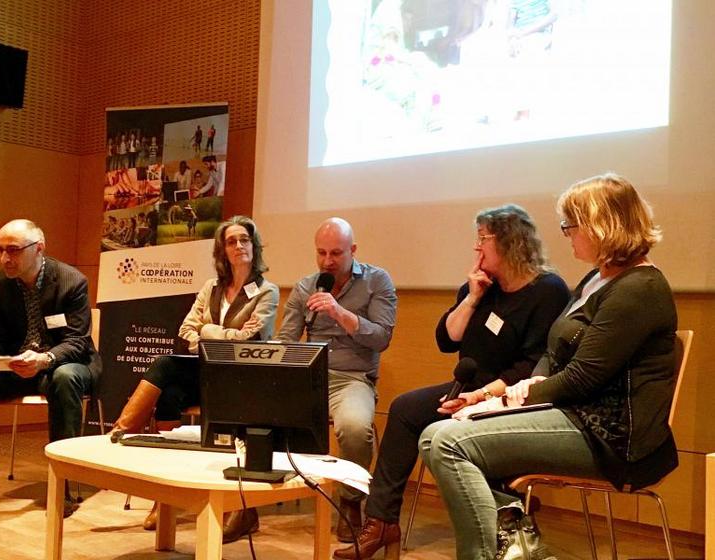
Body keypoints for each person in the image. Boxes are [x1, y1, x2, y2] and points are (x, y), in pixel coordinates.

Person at [418, 174, 678, 560]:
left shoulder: (639, 288)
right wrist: (496, 394)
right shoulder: (598, 278)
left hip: (608, 435)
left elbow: (583, 376)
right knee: (439, 433)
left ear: (601, 226)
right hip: (571, 414)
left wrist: (504, 403)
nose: (566, 234)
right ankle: (522, 549)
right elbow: (554, 356)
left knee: (449, 443)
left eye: (571, 225)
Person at [333, 204, 569, 559]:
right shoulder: (481, 288)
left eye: (483, 240)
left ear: (510, 243)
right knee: (405, 409)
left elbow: (533, 365)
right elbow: (446, 340)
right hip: (470, 389)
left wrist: (480, 398)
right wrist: (473, 297)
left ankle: (503, 524)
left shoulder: (548, 290)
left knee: (456, 427)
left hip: (512, 397)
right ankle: (382, 522)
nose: (476, 249)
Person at [108, 215, 279, 541]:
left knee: (169, 377)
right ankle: (165, 493)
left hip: (242, 377)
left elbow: (248, 340)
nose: (239, 246)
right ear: (223, 250)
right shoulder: (211, 288)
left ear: (253, 247)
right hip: (205, 370)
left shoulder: (265, 291)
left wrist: (208, 331)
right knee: (167, 385)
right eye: (232, 241)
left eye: (245, 240)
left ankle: (120, 435)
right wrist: (210, 334)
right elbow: (185, 330)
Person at [0, 219, 100, 516]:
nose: (5, 258)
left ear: (38, 248)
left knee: (65, 378)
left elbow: (77, 341)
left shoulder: (71, 281)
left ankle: (62, 487)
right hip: (18, 366)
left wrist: (45, 359)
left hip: (65, 363)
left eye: (13, 250)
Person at [277, 217, 398, 542]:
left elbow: (382, 337)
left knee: (356, 429)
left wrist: (340, 313)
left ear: (353, 250)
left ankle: (350, 501)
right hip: (308, 376)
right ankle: (245, 507)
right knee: (253, 412)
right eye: (321, 253)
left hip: (353, 378)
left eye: (336, 253)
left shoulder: (377, 281)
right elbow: (286, 339)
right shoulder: (306, 286)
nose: (328, 261)